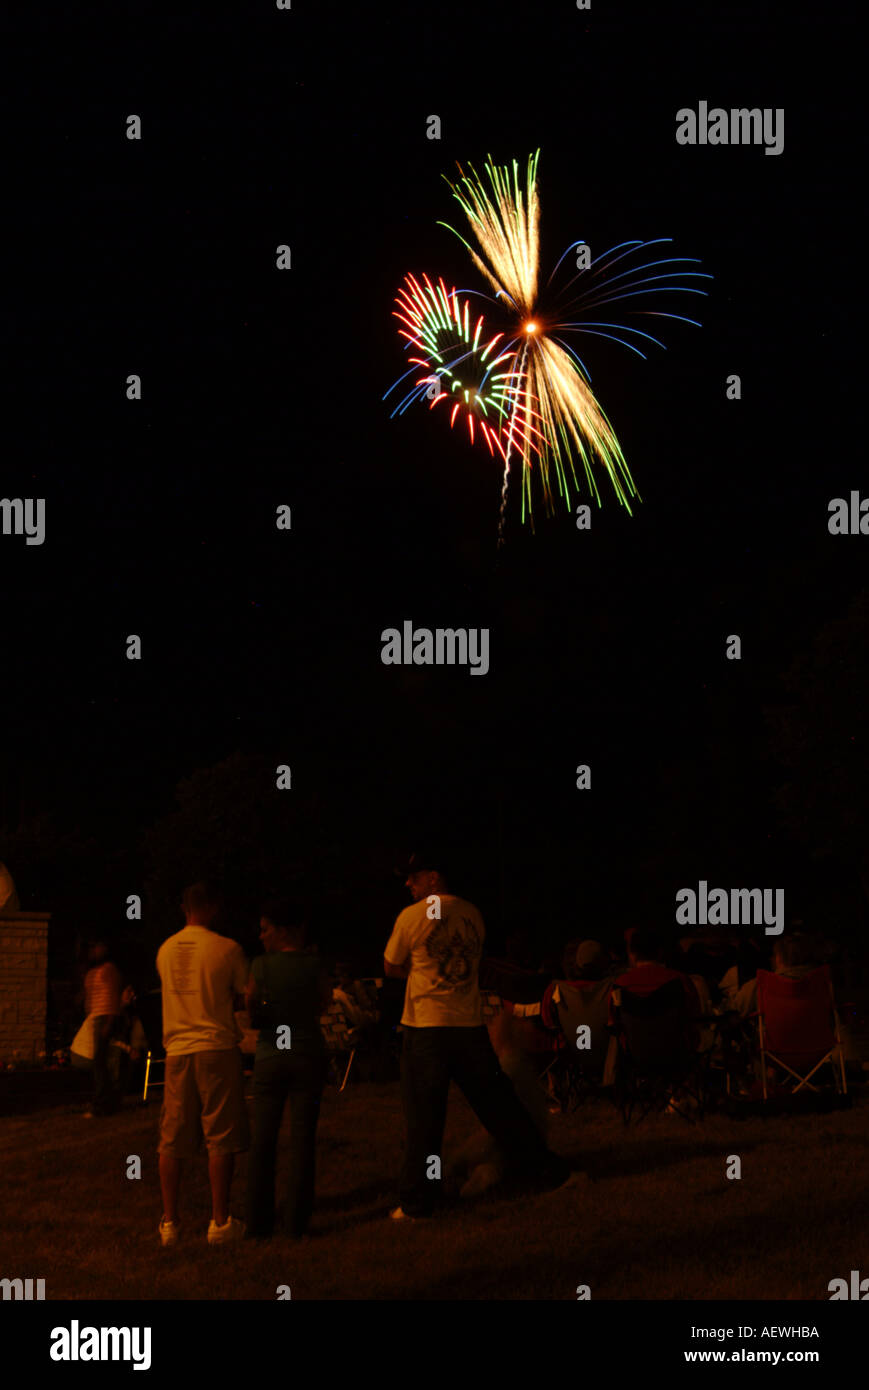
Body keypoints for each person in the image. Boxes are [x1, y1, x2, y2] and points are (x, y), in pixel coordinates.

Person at [384, 849, 570, 1220]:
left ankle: (419, 1199)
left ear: (433, 878)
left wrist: (421, 975)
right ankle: (547, 1172)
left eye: (413, 877)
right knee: (499, 1107)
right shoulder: (472, 914)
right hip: (468, 1027)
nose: (408, 884)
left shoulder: (413, 916)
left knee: (424, 1117)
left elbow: (391, 965)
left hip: (428, 1029)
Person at [155, 881, 250, 1246]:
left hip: (177, 1048)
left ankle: (170, 1222)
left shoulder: (165, 950)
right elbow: (244, 995)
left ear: (184, 908)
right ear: (212, 907)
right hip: (215, 1046)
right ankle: (220, 1221)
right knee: (220, 1134)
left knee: (173, 1137)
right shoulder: (227, 949)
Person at [244, 901, 333, 1240]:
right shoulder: (313, 964)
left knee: (263, 1141)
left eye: (265, 928)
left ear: (282, 931)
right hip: (306, 1054)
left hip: (270, 1056)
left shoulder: (262, 966)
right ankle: (296, 1221)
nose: (261, 935)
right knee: (301, 1140)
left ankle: (258, 1222)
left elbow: (250, 1001)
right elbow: (325, 1000)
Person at [82, 939, 123, 1117]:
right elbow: (90, 996)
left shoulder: (109, 970)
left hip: (104, 1016)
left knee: (100, 1062)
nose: (93, 951)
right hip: (95, 1018)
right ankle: (105, 1100)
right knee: (98, 1062)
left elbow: (113, 996)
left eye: (96, 947)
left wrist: (109, 1022)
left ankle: (102, 1103)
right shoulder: (92, 972)